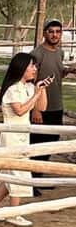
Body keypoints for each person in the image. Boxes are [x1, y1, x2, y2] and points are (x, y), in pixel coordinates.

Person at [0, 52, 53, 226]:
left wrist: (41, 90)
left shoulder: (28, 87)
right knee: (18, 174)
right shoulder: (12, 89)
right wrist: (35, 95)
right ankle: (14, 214)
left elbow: (42, 107)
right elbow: (20, 110)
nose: (34, 69)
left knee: (10, 175)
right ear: (21, 68)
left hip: (23, 136)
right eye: (31, 66)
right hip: (11, 137)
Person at [29, 19, 73, 193]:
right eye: (51, 31)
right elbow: (31, 82)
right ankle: (30, 180)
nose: (55, 35)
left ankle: (38, 177)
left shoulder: (60, 53)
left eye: (58, 31)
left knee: (51, 141)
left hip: (56, 105)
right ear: (44, 33)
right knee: (37, 143)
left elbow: (54, 75)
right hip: (40, 107)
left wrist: (66, 71)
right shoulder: (37, 54)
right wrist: (36, 109)